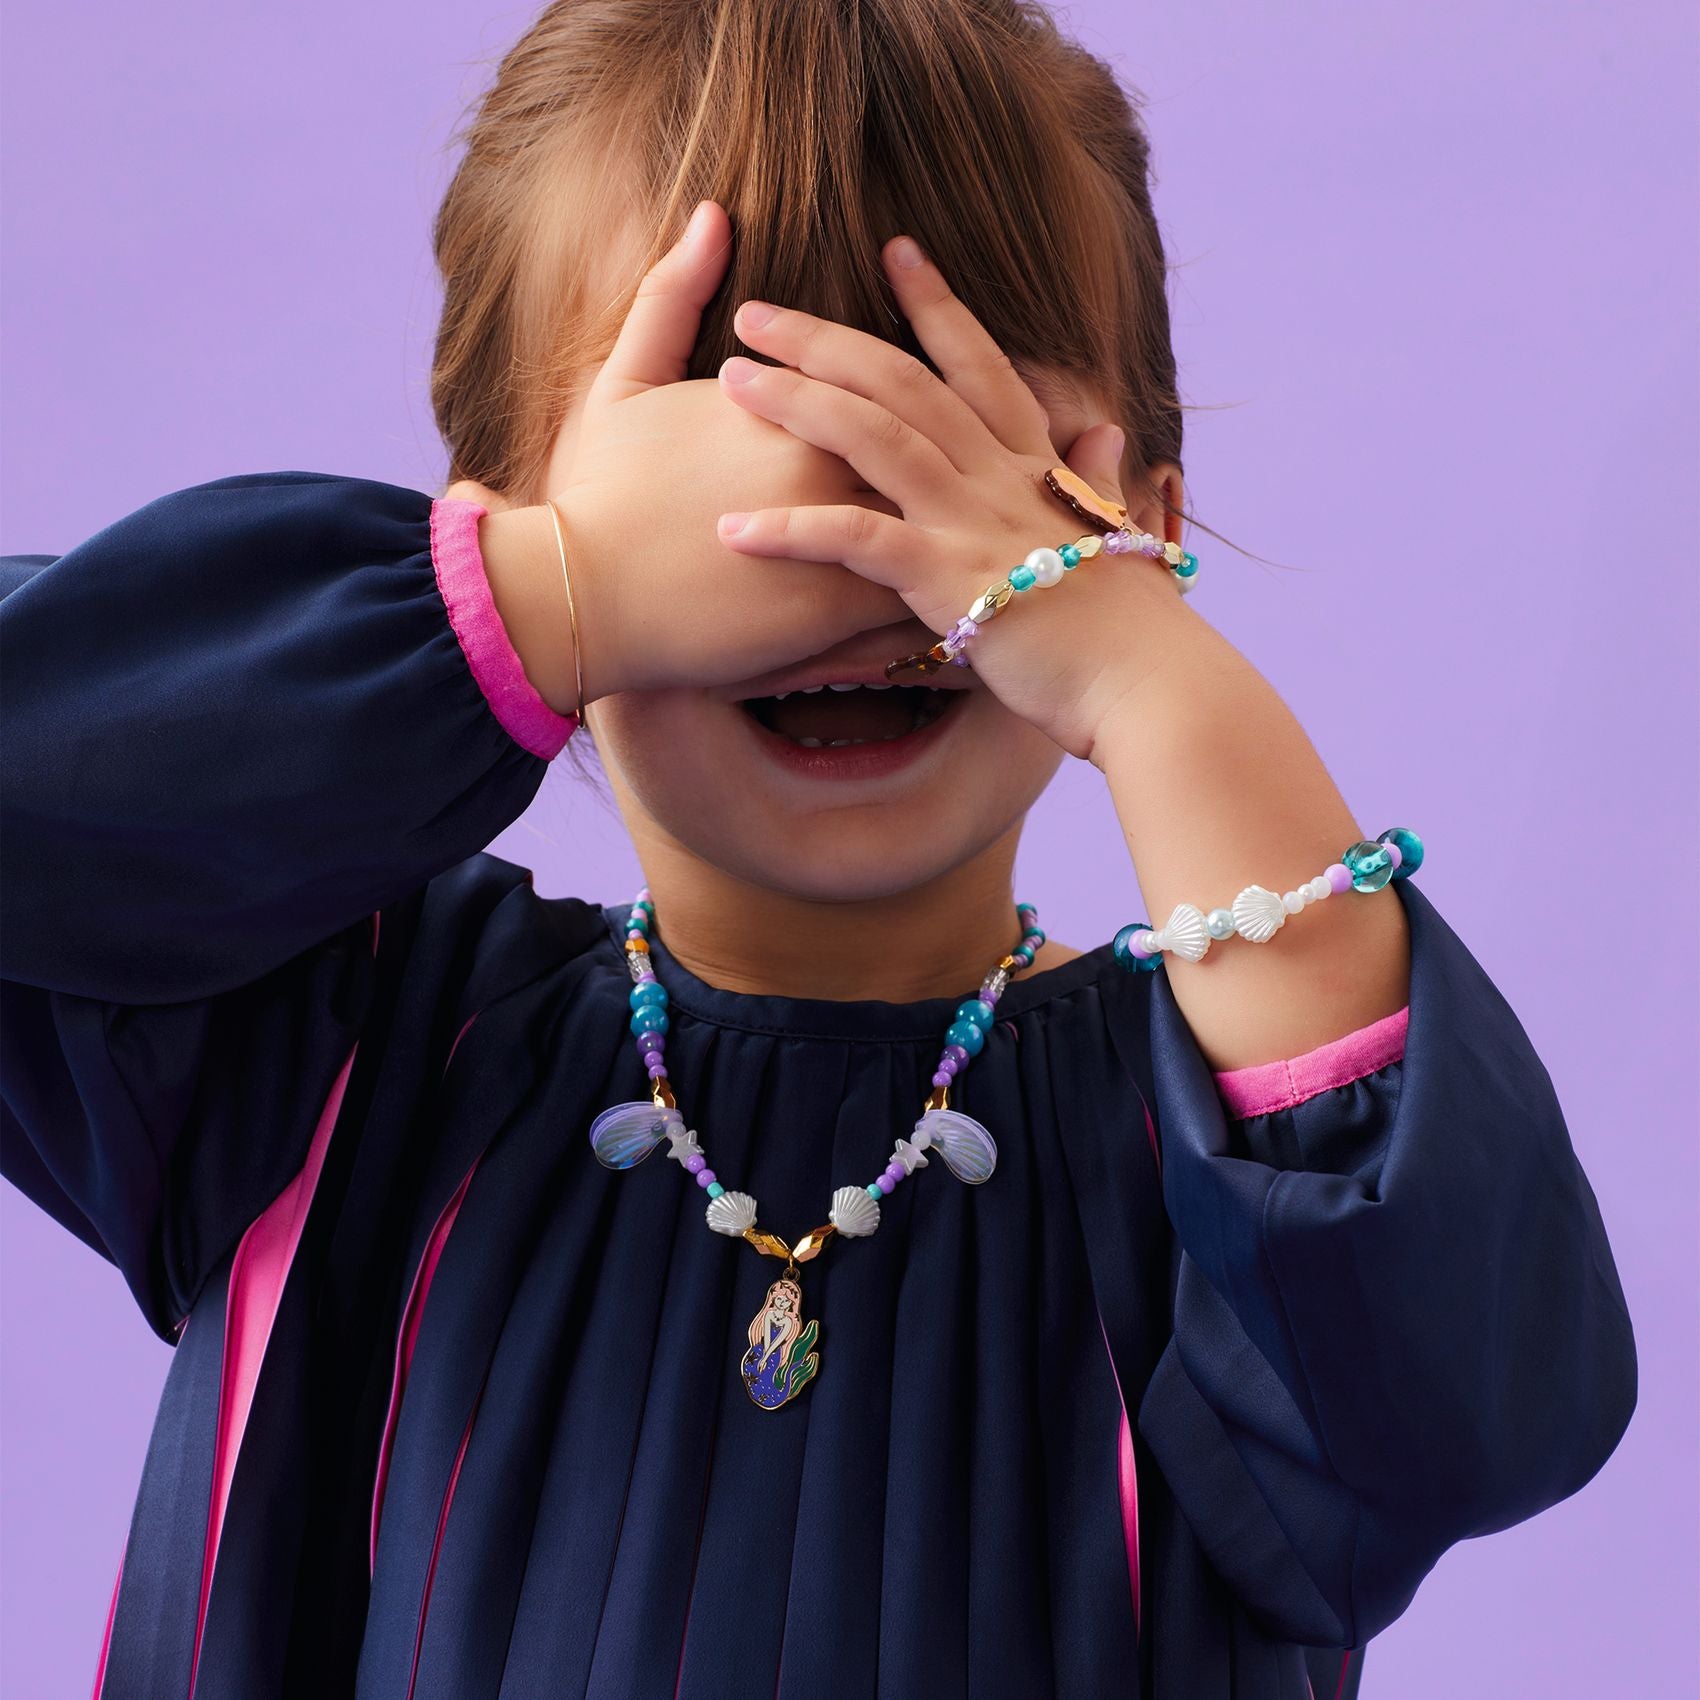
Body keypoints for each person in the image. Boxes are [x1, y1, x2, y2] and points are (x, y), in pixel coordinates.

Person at [0, 2, 1636, 1696]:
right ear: (494, 534)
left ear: (1143, 526)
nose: (860, 552)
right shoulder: (338, 1045)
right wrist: (558, 593)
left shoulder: (1213, 1157)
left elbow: (1473, 1407)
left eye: (961, 456)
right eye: (729, 452)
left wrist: (1149, 682)